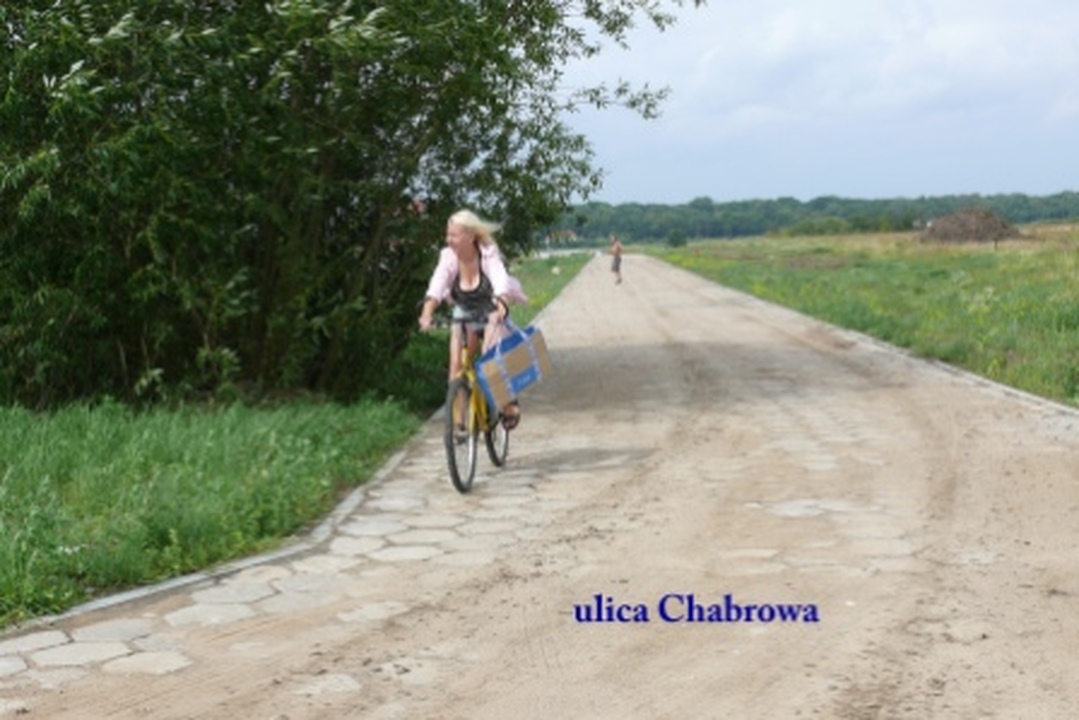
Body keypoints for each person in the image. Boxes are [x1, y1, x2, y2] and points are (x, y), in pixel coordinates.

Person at [418, 209, 527, 430]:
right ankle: (459, 422)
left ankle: (507, 401)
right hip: (464, 309)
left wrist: (502, 303)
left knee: (489, 356)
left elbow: (499, 279)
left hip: (491, 307)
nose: (448, 240)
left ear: (470, 236)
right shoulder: (448, 256)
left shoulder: (488, 253)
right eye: (447, 235)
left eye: (453, 235)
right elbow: (437, 284)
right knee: (456, 363)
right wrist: (427, 313)